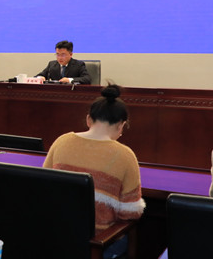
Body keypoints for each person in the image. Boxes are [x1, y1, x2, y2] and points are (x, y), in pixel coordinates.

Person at [43, 84, 145, 235]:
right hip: (100, 240)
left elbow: (44, 188)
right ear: (121, 125)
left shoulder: (62, 141)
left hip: (56, 233)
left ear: (88, 119)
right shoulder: (126, 155)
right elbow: (130, 212)